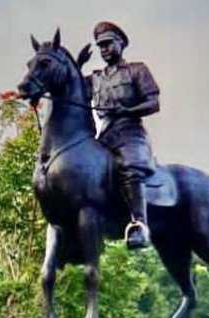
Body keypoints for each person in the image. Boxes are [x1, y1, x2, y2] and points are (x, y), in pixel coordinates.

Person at [85, 21, 160, 249]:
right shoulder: (94, 78)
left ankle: (139, 224)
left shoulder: (137, 70)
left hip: (130, 132)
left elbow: (153, 103)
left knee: (130, 166)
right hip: (104, 136)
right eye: (101, 46)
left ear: (120, 44)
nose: (104, 49)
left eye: (108, 44)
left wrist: (128, 110)